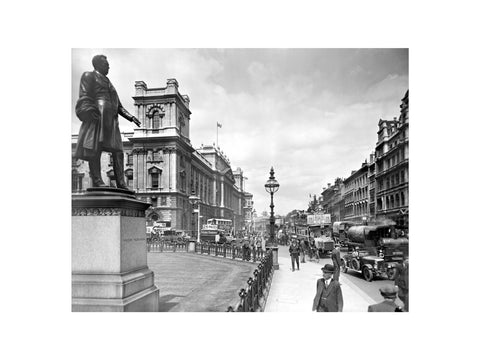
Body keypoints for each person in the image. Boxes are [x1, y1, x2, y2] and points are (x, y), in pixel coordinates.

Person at [74, 55, 141, 189]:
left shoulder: (110, 83)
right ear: (98, 64)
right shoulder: (89, 76)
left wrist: (131, 117)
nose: (109, 66)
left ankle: (121, 183)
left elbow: (119, 106)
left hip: (111, 119)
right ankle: (98, 180)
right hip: (98, 116)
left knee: (118, 151)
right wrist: (89, 111)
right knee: (96, 148)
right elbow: (84, 96)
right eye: (106, 64)